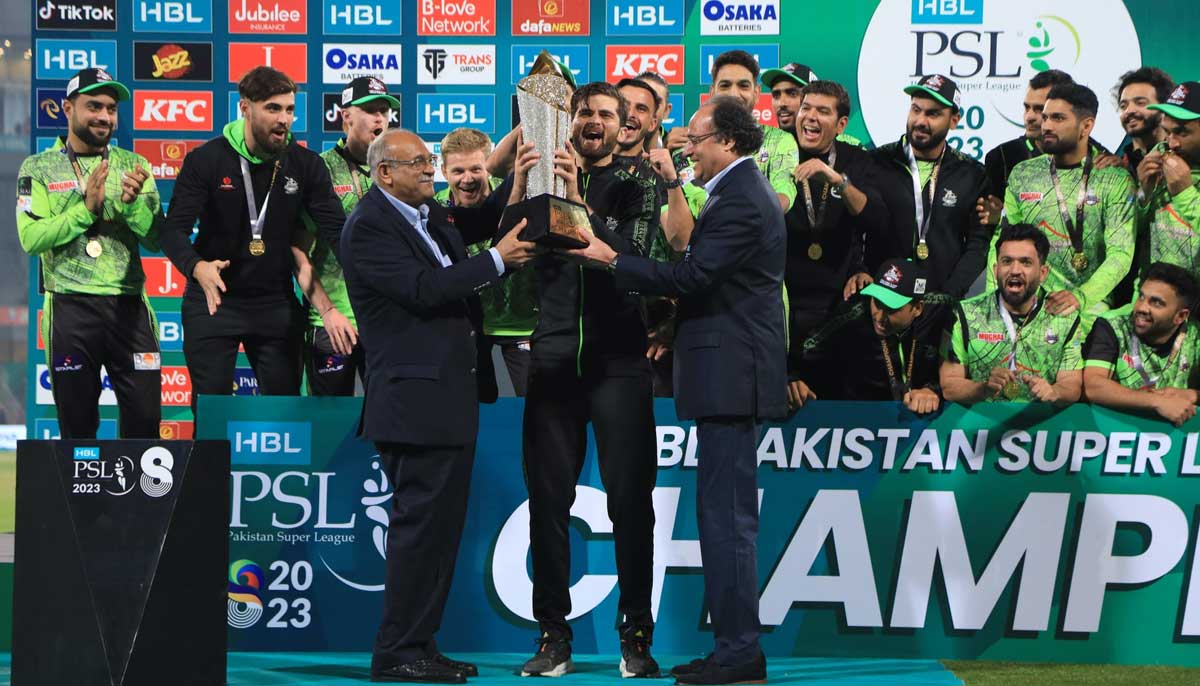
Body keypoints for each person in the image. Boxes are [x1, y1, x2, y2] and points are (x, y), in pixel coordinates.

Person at [569, 95, 786, 686]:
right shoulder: (733, 193)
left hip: (731, 380)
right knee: (721, 517)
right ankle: (733, 648)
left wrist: (614, 260)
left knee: (727, 521)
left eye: (696, 137)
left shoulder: (741, 198)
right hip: (726, 378)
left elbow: (692, 276)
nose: (687, 147)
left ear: (731, 143)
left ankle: (740, 653)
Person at [341, 129, 538, 683]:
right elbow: (426, 290)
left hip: (445, 400)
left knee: (438, 533)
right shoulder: (370, 228)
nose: (433, 172)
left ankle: (420, 644)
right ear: (385, 173)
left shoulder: (427, 218)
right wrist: (497, 261)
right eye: (421, 164)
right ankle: (397, 652)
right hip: (412, 403)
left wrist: (519, 175)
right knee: (418, 531)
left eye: (431, 163)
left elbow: (479, 222)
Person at [506, 81, 661, 679]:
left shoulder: (638, 181)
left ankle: (636, 638)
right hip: (550, 363)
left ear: (624, 126)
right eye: (582, 112)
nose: (592, 121)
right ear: (566, 121)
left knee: (630, 505)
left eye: (605, 114)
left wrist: (578, 201)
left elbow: (639, 263)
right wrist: (523, 187)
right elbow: (497, 244)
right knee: (548, 504)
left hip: (618, 363)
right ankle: (553, 638)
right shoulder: (539, 175)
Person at [160, 66, 345, 412]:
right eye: (273, 108)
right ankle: (211, 468)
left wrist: (372, 272)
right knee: (212, 412)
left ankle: (279, 470)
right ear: (245, 107)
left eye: (290, 109)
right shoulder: (206, 160)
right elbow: (173, 231)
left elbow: (337, 231)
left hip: (274, 303)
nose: (284, 119)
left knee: (285, 414)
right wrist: (196, 267)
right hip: (213, 300)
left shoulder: (305, 164)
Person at [16, 68, 163, 438]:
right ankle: (84, 498)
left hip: (129, 309)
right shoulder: (37, 168)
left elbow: (158, 239)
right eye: (93, 105)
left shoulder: (135, 167)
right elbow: (32, 238)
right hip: (70, 310)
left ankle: (139, 497)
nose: (104, 116)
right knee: (77, 427)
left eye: (111, 108)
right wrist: (86, 210)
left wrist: (131, 207)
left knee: (145, 423)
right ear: (68, 109)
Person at [992, 83, 1136, 320]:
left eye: (1058, 118)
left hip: (1090, 311)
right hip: (1028, 306)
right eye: (1045, 117)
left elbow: (1121, 255)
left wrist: (1080, 297)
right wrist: (995, 297)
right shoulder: (1023, 174)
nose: (1046, 125)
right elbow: (1002, 243)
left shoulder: (1115, 179)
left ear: (1086, 125)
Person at [777, 79, 881, 398]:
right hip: (783, 301)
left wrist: (838, 181)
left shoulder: (856, 159)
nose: (809, 117)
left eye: (822, 111)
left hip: (837, 305)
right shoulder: (778, 153)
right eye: (805, 107)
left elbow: (877, 221)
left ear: (841, 124)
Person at [301, 76, 399, 396]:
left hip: (386, 321)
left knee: (391, 419)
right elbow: (298, 250)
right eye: (370, 110)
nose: (380, 118)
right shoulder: (321, 169)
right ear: (346, 116)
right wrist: (328, 311)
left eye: (384, 110)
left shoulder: (399, 169)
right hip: (334, 321)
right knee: (330, 427)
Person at [853, 74, 989, 303]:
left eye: (933, 113)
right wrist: (857, 268)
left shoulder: (972, 174)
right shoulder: (875, 162)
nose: (920, 121)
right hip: (881, 299)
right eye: (916, 109)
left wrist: (949, 295)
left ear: (954, 120)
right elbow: (853, 227)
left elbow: (978, 244)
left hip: (939, 302)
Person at [433, 127, 538, 396]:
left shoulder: (520, 195)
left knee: (536, 414)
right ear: (444, 172)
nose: (467, 179)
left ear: (488, 168)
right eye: (458, 171)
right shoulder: (433, 211)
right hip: (466, 328)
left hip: (522, 324)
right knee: (473, 413)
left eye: (476, 169)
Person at [941, 223, 1084, 406]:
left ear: (1043, 273)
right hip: (979, 428)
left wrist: (1053, 392)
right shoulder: (965, 314)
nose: (1015, 270)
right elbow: (949, 385)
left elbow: (1071, 384)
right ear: (995, 269)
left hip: (1041, 429)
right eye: (1007, 261)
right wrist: (983, 388)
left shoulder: (1065, 318)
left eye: (1026, 262)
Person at [791, 259, 942, 414]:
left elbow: (958, 374)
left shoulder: (939, 315)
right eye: (877, 302)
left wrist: (933, 390)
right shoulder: (854, 315)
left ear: (917, 308)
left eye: (891, 308)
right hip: (859, 421)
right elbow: (803, 350)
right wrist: (792, 378)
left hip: (921, 424)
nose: (880, 316)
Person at [1083, 262, 1200, 426]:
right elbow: (1094, 386)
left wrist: (1193, 395)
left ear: (1180, 316)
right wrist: (1156, 401)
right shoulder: (1112, 324)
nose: (1142, 307)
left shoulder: (1195, 336)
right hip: (1114, 432)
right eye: (1141, 296)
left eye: (1156, 302)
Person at [1134, 82, 1200, 276]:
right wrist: (1143, 193)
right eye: (1167, 131)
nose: (1171, 143)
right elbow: (1132, 234)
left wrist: (1185, 192)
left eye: (1181, 132)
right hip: (1150, 293)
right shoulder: (1160, 152)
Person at [981, 70, 1076, 202]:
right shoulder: (1002, 158)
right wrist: (998, 219)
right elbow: (990, 216)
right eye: (1027, 108)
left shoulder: (1097, 157)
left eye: (1039, 109)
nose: (1029, 117)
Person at [761, 62, 861, 146]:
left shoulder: (851, 147)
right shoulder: (762, 148)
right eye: (776, 95)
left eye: (792, 94)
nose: (782, 103)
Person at [1113, 67, 1175, 178]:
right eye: (1123, 106)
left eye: (1140, 103)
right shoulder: (1117, 166)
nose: (1129, 111)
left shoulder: (1185, 158)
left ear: (1164, 108)